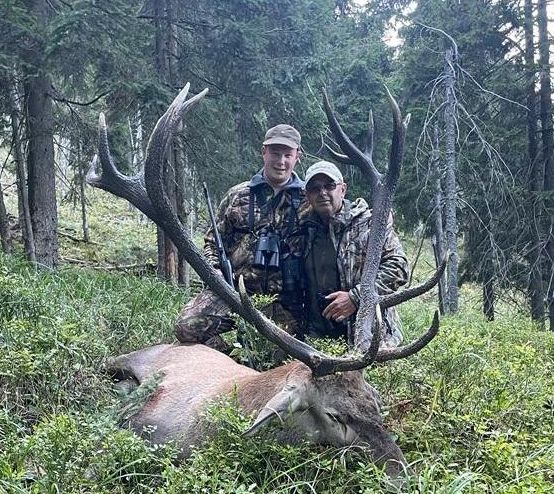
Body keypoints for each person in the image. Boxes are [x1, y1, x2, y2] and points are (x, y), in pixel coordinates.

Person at [175, 124, 305, 350]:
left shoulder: (308, 200)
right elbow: (212, 242)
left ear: (297, 157)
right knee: (186, 326)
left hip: (285, 302)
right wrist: (215, 271)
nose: (281, 161)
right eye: (275, 153)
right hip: (234, 292)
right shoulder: (238, 195)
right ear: (264, 152)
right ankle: (227, 357)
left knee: (282, 354)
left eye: (287, 155)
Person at [300, 161, 409, 347]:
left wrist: (355, 298)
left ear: (343, 189)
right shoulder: (302, 231)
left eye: (329, 186)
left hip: (371, 339)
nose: (322, 193)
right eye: (315, 188)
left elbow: (398, 267)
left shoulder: (370, 224)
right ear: (307, 195)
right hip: (319, 341)